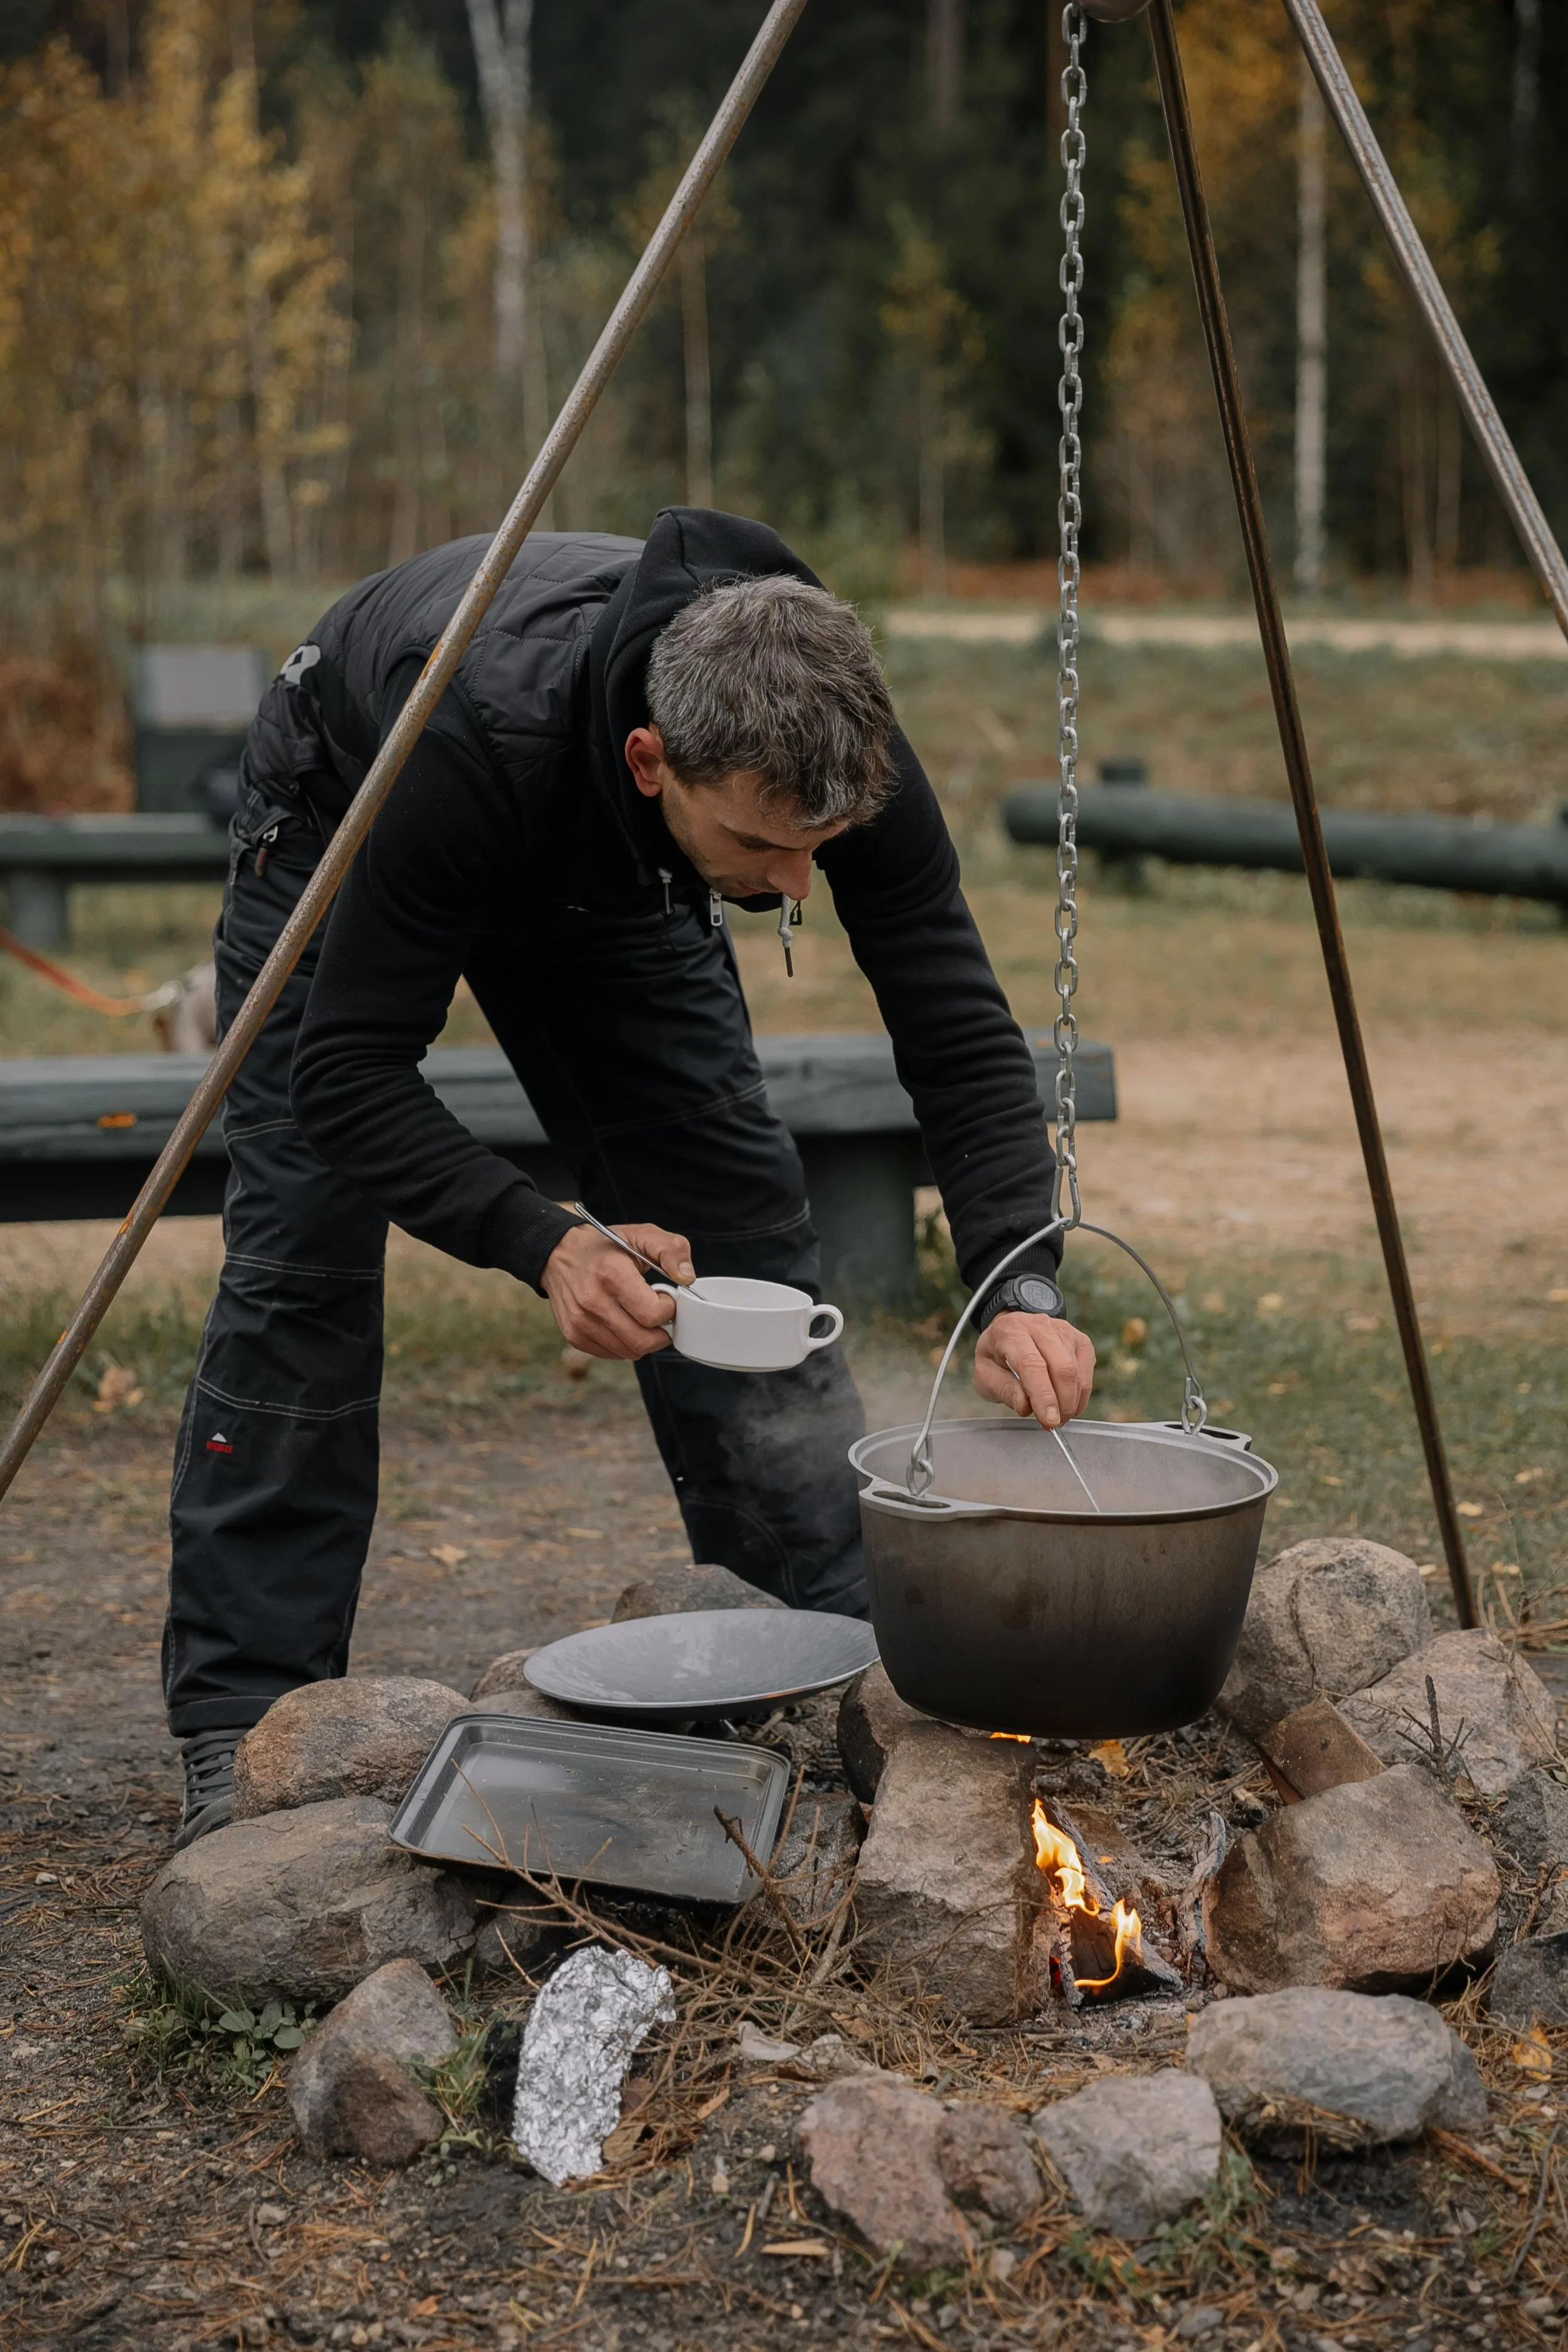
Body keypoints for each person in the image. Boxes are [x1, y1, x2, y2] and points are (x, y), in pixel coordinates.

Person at [168, 508, 1096, 1846]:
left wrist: (1021, 1274)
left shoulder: (830, 743)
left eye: (820, 849)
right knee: (302, 1256)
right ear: (652, 760)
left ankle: (834, 1655)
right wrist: (542, 1239)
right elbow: (346, 1074)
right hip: (357, 799)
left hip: (615, 871)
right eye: (765, 851)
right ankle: (245, 1730)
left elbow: (951, 1020)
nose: (795, 888)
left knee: (737, 1242)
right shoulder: (472, 735)